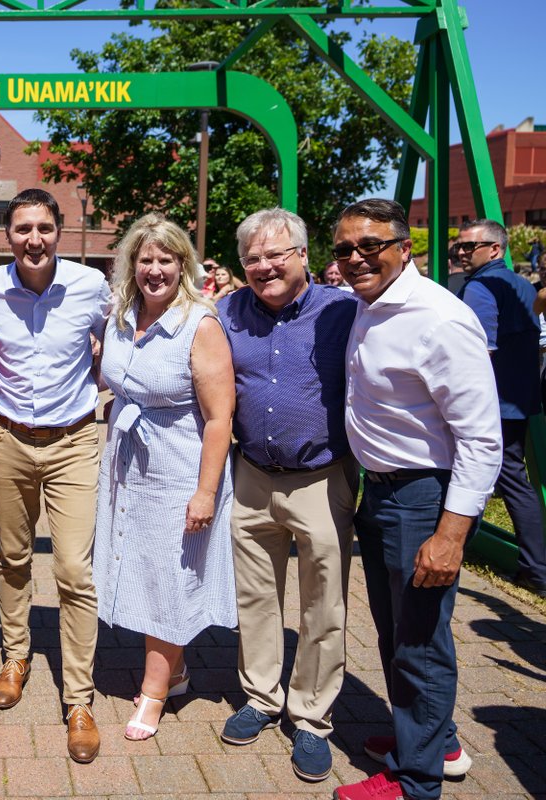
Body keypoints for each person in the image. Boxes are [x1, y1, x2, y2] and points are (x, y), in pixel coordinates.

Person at [332, 198, 499, 800]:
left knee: (420, 643)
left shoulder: (439, 319)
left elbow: (483, 438)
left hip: (423, 496)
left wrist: (451, 534)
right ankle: (435, 740)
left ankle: (416, 782)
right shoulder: (368, 305)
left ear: (406, 247)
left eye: (370, 245)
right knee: (395, 631)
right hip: (381, 492)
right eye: (345, 248)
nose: (356, 257)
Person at [216, 208, 359, 782]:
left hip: (321, 477)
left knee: (324, 604)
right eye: (252, 257)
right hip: (251, 474)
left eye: (276, 254)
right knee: (254, 597)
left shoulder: (344, 312)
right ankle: (260, 696)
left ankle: (311, 717)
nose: (264, 266)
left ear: (303, 255)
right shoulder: (226, 312)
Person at [0, 188, 111, 763]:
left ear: (60, 230)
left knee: (75, 570)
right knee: (13, 557)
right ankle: (16, 655)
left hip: (75, 440)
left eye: (44, 229)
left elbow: (123, 338)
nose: (34, 240)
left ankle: (78, 698)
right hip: (10, 439)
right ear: (8, 235)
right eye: (23, 229)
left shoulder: (90, 287)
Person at [93, 213, 236, 744]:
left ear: (184, 265)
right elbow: (113, 380)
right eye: (145, 259)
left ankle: (154, 693)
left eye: (166, 260)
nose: (155, 270)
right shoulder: (122, 316)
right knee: (141, 567)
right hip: (127, 466)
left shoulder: (199, 324)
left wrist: (206, 491)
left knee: (168, 578)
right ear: (133, 265)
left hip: (178, 469)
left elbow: (220, 417)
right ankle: (173, 673)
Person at [456, 218, 546, 598]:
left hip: (490, 403)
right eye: (456, 247)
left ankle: (537, 569)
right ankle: (535, 567)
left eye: (468, 247)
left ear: (495, 249)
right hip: (518, 398)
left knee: (487, 475)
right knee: (512, 478)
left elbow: (477, 350)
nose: (460, 253)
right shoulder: (523, 284)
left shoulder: (480, 287)